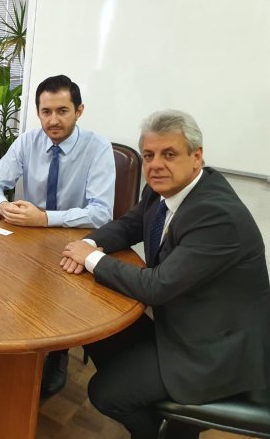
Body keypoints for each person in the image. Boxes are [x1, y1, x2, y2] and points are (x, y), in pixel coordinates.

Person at [61, 109, 270, 438]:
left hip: (216, 348)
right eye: (149, 155)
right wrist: (86, 244)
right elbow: (128, 226)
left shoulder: (216, 215)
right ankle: (165, 419)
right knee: (97, 334)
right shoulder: (160, 190)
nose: (156, 164)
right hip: (183, 321)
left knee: (105, 393)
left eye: (169, 154)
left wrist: (92, 260)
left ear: (196, 157)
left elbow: (156, 286)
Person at [0, 74, 116, 399]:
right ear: (38, 112)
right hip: (28, 239)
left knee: (60, 299)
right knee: (6, 287)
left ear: (79, 111)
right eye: (46, 112)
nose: (53, 120)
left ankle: (57, 353)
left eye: (62, 111)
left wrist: (44, 219)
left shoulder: (98, 148)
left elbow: (101, 213)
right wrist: (4, 205)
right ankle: (12, 348)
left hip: (74, 241)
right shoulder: (28, 142)